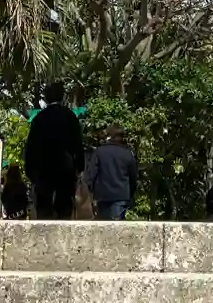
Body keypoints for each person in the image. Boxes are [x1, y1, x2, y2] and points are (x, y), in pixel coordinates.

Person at [23, 82, 83, 219]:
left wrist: (30, 171)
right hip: (65, 169)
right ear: (62, 96)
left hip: (43, 169)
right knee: (64, 206)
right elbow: (77, 144)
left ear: (46, 98)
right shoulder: (70, 117)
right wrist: (79, 166)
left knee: (44, 207)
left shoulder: (39, 118)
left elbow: (32, 147)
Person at [83, 127, 138, 220]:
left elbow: (91, 175)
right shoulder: (128, 154)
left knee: (103, 224)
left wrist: (90, 193)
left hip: (102, 196)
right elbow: (133, 177)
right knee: (117, 225)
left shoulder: (99, 152)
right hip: (121, 195)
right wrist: (130, 194)